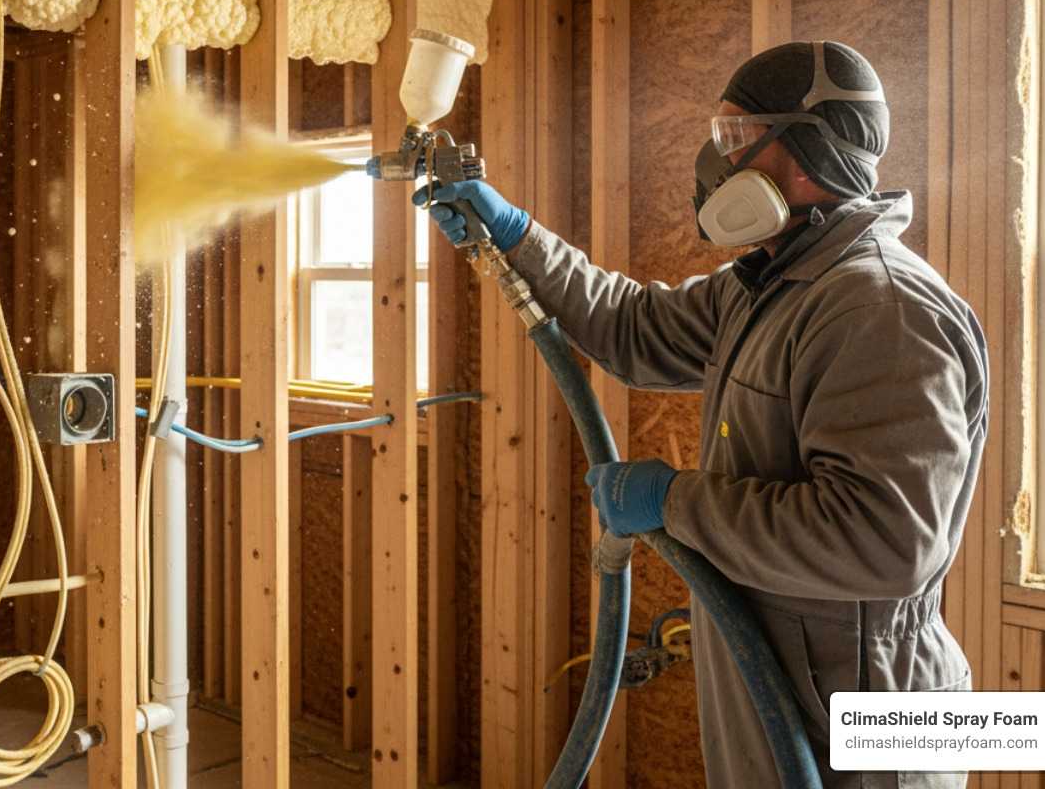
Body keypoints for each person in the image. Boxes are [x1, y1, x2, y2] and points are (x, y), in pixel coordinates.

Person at [416, 41, 989, 789]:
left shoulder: (880, 310)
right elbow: (633, 329)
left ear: (807, 150)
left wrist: (675, 502)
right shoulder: (772, 284)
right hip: (793, 690)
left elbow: (882, 542)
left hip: (867, 720)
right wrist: (516, 235)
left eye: (735, 141)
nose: (714, 165)